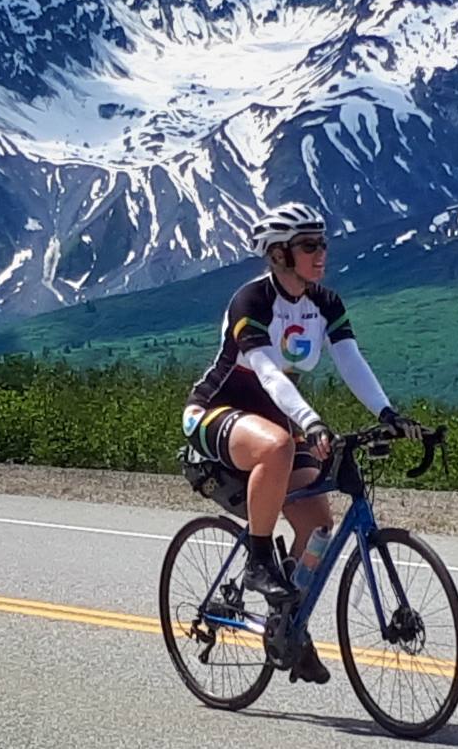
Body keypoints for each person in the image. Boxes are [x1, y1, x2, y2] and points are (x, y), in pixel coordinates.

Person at [181, 202, 422, 684]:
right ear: (278, 255)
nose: (321, 253)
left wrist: (388, 414)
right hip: (214, 413)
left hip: (277, 421)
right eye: (308, 245)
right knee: (277, 446)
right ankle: (256, 561)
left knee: (318, 525)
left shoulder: (325, 304)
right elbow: (267, 372)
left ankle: (285, 622)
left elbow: (352, 363)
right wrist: (311, 421)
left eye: (323, 243)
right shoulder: (250, 302)